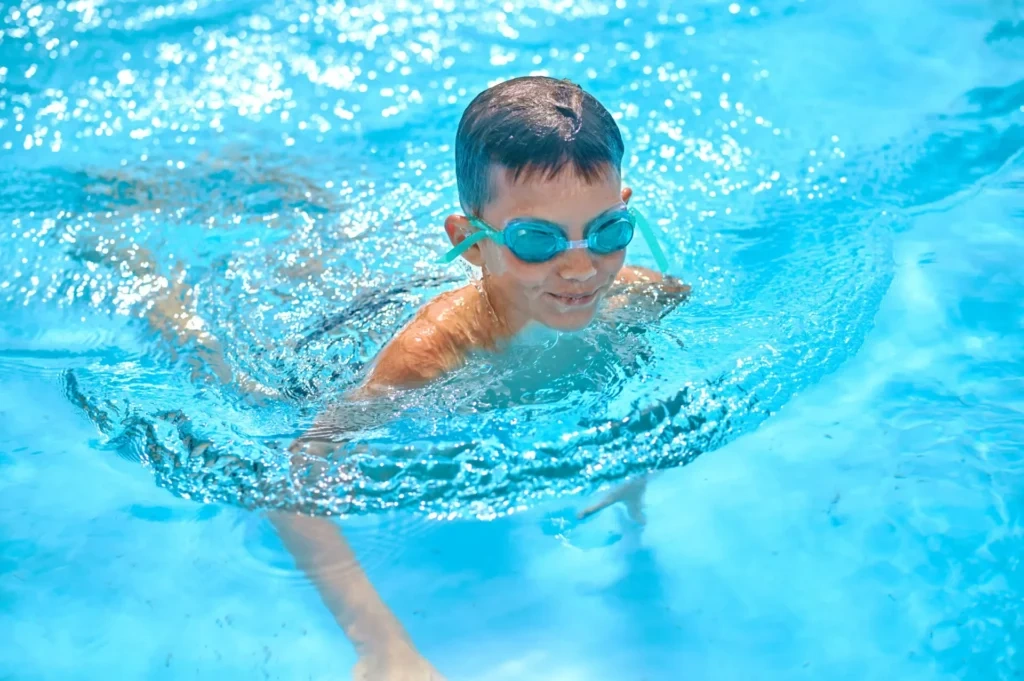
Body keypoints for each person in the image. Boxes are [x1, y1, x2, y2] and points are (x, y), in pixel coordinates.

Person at [123, 75, 691, 680]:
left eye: (607, 231)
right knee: (221, 368)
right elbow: (291, 483)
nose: (580, 267)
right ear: (470, 242)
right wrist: (382, 646)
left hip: (412, 296)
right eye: (535, 240)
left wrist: (635, 468)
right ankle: (141, 265)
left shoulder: (643, 298)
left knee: (326, 245)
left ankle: (287, 183)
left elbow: (649, 384)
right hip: (339, 338)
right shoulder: (429, 357)